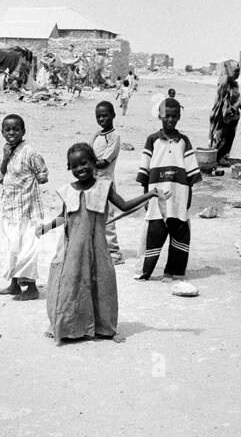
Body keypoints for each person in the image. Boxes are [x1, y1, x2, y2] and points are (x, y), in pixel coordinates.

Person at [37, 143, 162, 343]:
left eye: (84, 163)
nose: (81, 169)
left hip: (97, 248)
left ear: (94, 162)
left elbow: (124, 205)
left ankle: (105, 329)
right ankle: (65, 327)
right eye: (75, 166)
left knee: (102, 286)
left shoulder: (104, 187)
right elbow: (63, 217)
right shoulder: (67, 190)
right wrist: (46, 227)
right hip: (72, 251)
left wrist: (151, 194)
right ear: (69, 168)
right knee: (69, 286)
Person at [135, 97, 200, 280]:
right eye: (167, 116)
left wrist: (188, 200)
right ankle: (145, 271)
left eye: (174, 116)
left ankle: (172, 271)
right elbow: (144, 174)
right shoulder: (152, 140)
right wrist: (146, 197)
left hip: (178, 197)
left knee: (179, 233)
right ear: (160, 116)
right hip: (157, 197)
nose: (170, 120)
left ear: (179, 117)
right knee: (154, 232)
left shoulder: (184, 142)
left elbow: (191, 175)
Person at [0, 113, 49, 300]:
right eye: (7, 129)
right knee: (13, 247)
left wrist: (27, 185)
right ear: (2, 132)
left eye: (16, 129)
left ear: (23, 131)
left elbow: (43, 175)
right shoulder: (7, 149)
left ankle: (32, 288)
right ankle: (14, 284)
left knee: (27, 247)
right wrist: (5, 158)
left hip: (27, 209)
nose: (12, 132)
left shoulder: (30, 151)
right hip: (10, 208)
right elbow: (1, 177)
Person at [92, 101, 124, 264]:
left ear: (113, 115)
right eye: (98, 116)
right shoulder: (97, 135)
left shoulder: (114, 136)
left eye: (105, 115)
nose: (102, 119)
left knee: (108, 218)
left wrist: (87, 162)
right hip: (93, 182)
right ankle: (99, 249)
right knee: (94, 216)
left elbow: (104, 161)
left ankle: (114, 252)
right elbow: (89, 152)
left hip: (105, 182)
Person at [209, 60, 241, 165]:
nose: (238, 74)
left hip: (234, 115)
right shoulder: (225, 82)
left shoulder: (234, 83)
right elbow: (223, 99)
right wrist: (229, 110)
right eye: (235, 71)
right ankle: (215, 158)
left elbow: (236, 97)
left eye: (238, 71)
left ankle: (222, 156)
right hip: (225, 115)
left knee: (229, 137)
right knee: (221, 137)